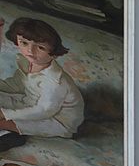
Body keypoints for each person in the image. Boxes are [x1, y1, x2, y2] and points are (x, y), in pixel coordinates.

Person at [0, 17, 83, 152]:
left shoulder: (55, 81)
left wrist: (5, 114)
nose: (30, 51)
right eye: (24, 43)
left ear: (54, 53)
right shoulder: (28, 63)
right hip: (30, 103)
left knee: (3, 121)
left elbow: (44, 110)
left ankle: (10, 136)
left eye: (40, 47)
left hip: (56, 120)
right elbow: (16, 85)